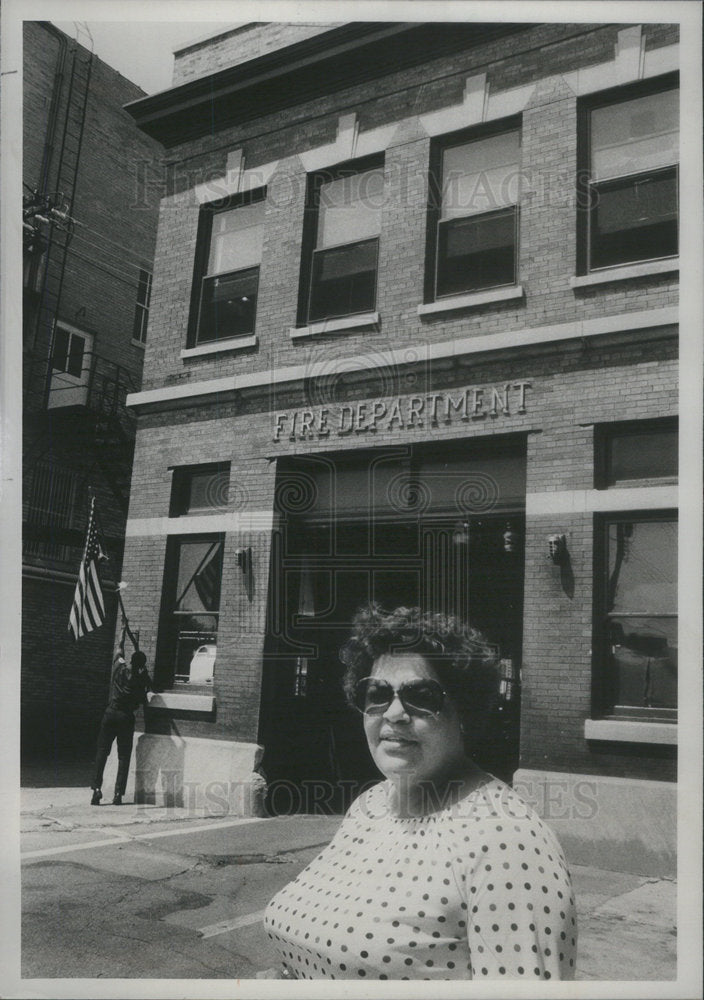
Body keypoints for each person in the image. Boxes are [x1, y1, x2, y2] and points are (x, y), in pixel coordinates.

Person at [261, 605, 577, 980]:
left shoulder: (508, 837)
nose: (393, 713)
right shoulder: (370, 805)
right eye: (376, 693)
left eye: (422, 695)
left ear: (466, 710)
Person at [90, 624, 152, 806]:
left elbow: (119, 651)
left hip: (110, 714)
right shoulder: (141, 681)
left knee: (102, 752)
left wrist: (123, 635)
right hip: (126, 717)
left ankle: (96, 789)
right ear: (141, 665)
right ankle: (118, 793)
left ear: (131, 661)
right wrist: (144, 673)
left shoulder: (119, 668)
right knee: (123, 756)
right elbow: (147, 692)